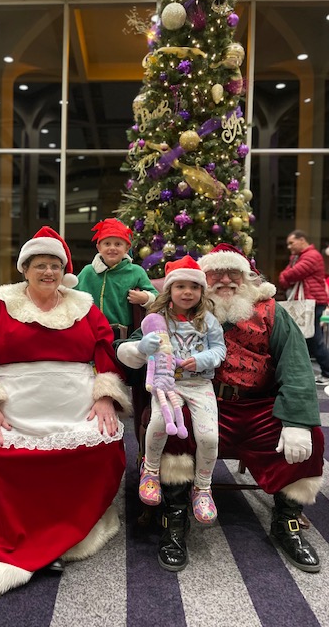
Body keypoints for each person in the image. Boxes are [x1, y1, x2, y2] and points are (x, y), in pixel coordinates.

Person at [0, 226, 131, 597]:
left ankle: (66, 529)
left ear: (64, 270)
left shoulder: (83, 305)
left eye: (55, 265)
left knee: (99, 449)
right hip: (14, 401)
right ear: (25, 269)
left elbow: (104, 350)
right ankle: (14, 534)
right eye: (40, 265)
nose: (48, 272)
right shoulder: (2, 303)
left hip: (75, 402)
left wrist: (105, 395)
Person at [115, 243, 324, 574]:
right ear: (203, 279)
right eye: (216, 273)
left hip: (260, 407)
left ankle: (287, 522)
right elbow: (136, 343)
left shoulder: (271, 311)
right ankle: (175, 516)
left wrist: (296, 419)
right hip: (202, 398)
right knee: (175, 423)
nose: (226, 280)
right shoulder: (183, 306)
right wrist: (137, 349)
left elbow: (296, 364)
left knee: (309, 435)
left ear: (247, 277)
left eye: (234, 273)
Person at [123, 256, 226, 525]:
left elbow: (220, 350)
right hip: (168, 384)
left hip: (199, 384)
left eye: (193, 287)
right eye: (180, 286)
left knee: (209, 437)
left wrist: (203, 360)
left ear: (202, 291)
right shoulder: (157, 319)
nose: (187, 292)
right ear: (170, 290)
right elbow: (144, 347)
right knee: (158, 422)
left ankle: (203, 487)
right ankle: (151, 471)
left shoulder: (209, 321)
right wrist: (145, 346)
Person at [76, 218, 158, 333]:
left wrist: (145, 297)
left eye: (118, 244)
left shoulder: (136, 271)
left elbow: (157, 297)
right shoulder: (88, 272)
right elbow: (70, 294)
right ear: (99, 247)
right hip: (89, 331)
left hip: (122, 335)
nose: (112, 248)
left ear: (127, 248)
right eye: (107, 244)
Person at [279, 230, 329, 385]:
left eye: (291, 242)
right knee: (306, 338)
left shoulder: (312, 256)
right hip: (305, 303)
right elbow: (283, 279)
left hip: (312, 303)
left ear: (302, 240)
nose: (289, 247)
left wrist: (287, 275)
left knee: (313, 339)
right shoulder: (297, 257)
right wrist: (287, 275)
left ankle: (327, 371)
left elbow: (290, 275)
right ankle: (307, 372)